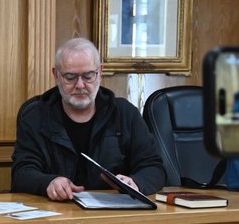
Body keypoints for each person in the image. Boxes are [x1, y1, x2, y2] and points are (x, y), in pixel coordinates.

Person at [11, 38, 165, 201]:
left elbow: (154, 168)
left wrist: (136, 183)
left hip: (112, 213)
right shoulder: (35, 116)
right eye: (70, 77)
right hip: (56, 213)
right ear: (56, 75)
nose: (80, 85)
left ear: (100, 72)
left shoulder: (125, 113)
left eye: (88, 76)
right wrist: (48, 182)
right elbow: (22, 173)